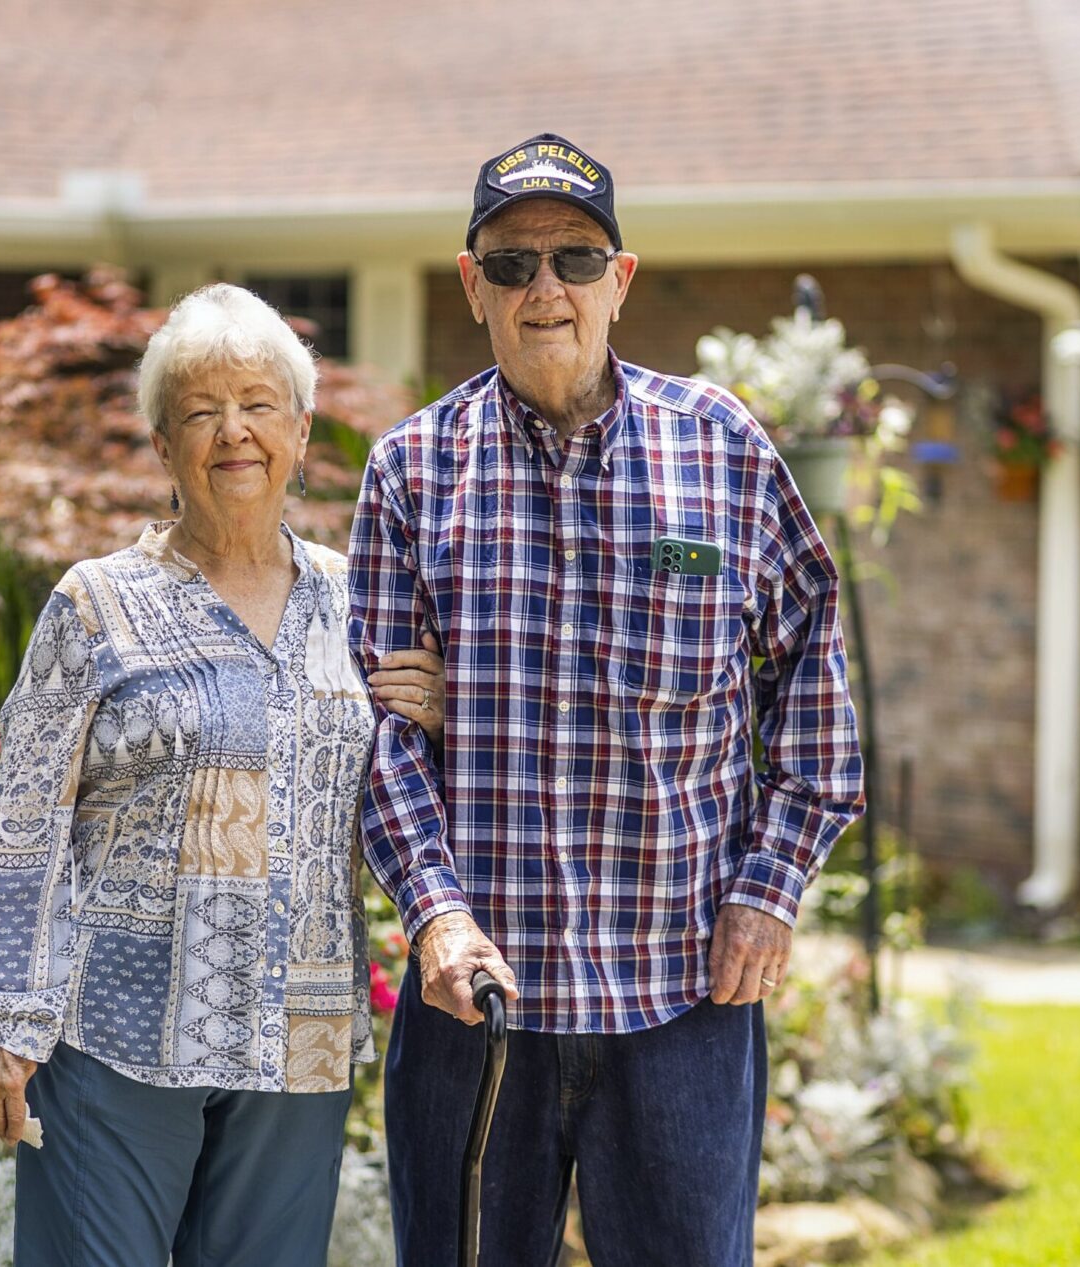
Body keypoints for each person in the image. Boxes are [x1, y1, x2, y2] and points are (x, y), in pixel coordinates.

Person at [347, 133, 865, 1266]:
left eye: (576, 260)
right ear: (470, 283)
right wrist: (433, 914)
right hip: (475, 1009)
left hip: (681, 998)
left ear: (618, 282)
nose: (546, 289)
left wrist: (769, 890)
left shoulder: (720, 450)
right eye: (514, 261)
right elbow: (381, 740)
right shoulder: (410, 473)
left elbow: (814, 676)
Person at [0, 283, 447, 1267]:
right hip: (118, 1032)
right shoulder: (96, 604)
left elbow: (410, 799)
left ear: (302, 432)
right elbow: (21, 829)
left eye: (259, 404)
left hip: (296, 1034)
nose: (234, 432)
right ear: (161, 445)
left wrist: (433, 718)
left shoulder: (364, 604)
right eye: (200, 411)